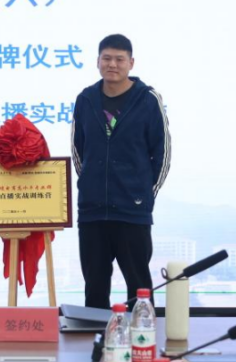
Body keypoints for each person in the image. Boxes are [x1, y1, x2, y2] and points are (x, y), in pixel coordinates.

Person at [71, 34, 171, 309]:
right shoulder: (86, 99)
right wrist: (91, 184)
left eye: (119, 59)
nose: (112, 64)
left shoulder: (148, 99)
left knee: (139, 286)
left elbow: (162, 154)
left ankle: (143, 335)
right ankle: (95, 337)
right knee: (94, 286)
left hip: (132, 210)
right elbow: (78, 151)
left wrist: (143, 193)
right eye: (106, 58)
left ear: (131, 63)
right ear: (97, 62)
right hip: (92, 211)